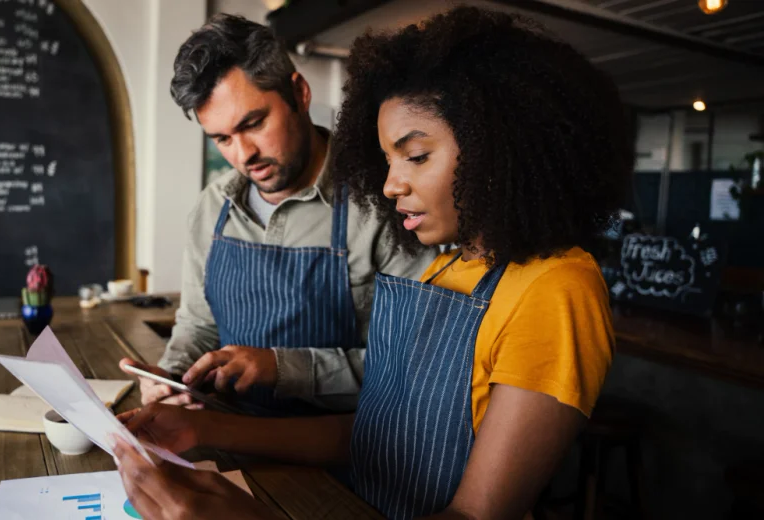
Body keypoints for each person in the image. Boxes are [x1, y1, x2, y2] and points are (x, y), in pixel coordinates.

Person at [113, 6, 630, 520]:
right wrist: (205, 428)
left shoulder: (558, 287)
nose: (389, 186)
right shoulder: (448, 270)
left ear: (498, 146)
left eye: (416, 156)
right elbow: (377, 435)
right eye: (388, 160)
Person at [120, 14, 433, 414]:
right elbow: (198, 326)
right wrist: (173, 376)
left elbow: (414, 364)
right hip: (229, 440)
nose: (243, 154)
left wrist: (285, 368)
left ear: (299, 93)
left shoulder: (385, 205)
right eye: (222, 139)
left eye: (254, 123)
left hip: (344, 458)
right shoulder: (213, 208)